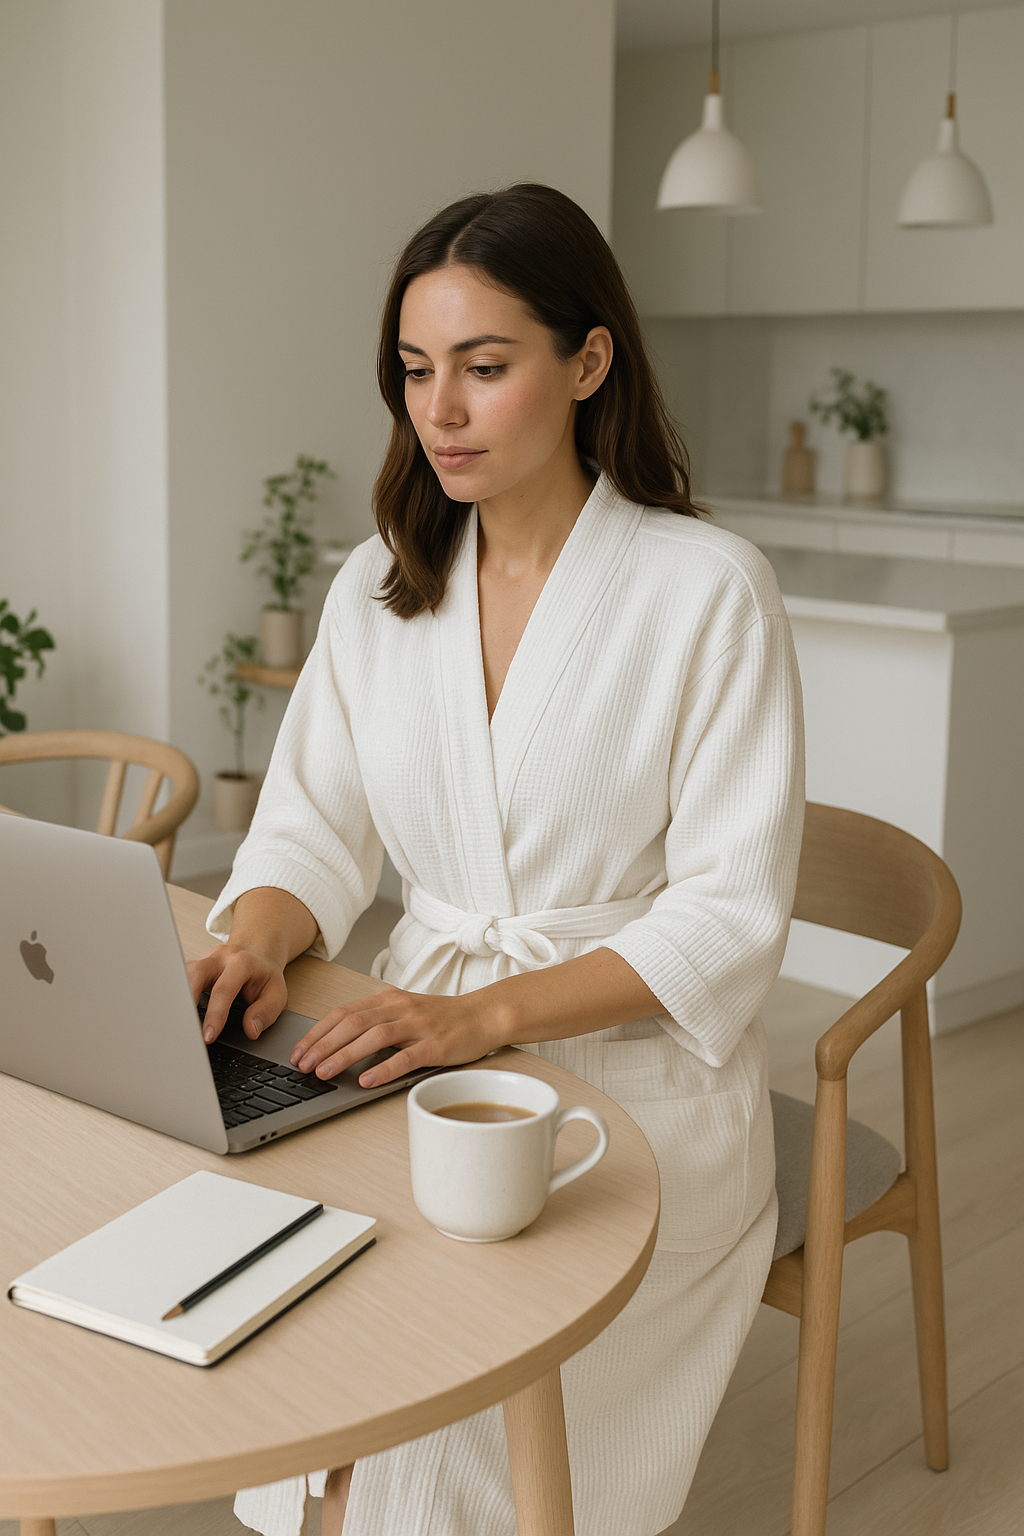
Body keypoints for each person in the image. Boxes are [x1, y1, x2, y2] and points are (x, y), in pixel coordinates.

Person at [190, 183, 804, 1536]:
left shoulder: (706, 591)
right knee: (313, 1372)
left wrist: (484, 1015)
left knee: (445, 1439)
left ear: (589, 364)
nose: (441, 411)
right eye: (417, 372)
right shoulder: (379, 585)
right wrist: (260, 936)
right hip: (415, 1052)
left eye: (485, 366)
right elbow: (310, 826)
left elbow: (730, 917)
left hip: (632, 1097)